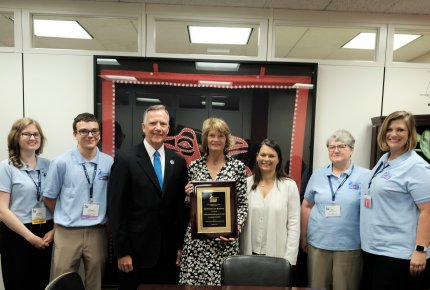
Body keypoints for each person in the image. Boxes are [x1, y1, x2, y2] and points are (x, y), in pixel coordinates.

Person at [107, 105, 188, 290]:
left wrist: (180, 247)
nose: (158, 127)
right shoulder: (125, 160)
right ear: (143, 127)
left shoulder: (178, 162)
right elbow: (116, 210)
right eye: (153, 123)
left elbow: (180, 211)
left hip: (168, 255)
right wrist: (122, 252)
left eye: (163, 123)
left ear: (168, 129)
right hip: (135, 255)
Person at [360, 111, 430, 290]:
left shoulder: (417, 167)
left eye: (400, 129)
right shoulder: (385, 159)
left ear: (410, 134)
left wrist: (421, 250)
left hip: (399, 254)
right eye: (389, 129)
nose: (393, 134)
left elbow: (427, 211)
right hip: (374, 249)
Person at [43, 112, 113, 290]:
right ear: (75, 134)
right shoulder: (60, 162)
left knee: (95, 282)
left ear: (99, 133)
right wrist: (64, 213)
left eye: (94, 131)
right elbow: (49, 197)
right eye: (84, 131)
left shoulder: (109, 162)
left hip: (97, 232)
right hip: (67, 232)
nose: (90, 135)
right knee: (63, 281)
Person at [179, 117, 248, 285]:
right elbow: (188, 204)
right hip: (198, 243)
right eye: (211, 135)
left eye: (220, 136)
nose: (216, 140)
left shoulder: (237, 167)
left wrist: (236, 227)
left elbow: (243, 204)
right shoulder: (195, 166)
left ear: (227, 140)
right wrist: (188, 194)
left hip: (224, 241)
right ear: (205, 139)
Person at [300, 129, 369, 290]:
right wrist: (304, 237)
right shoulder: (317, 175)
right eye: (331, 147)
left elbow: (371, 210)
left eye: (341, 146)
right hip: (318, 244)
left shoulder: (365, 176)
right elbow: (306, 205)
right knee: (317, 287)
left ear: (352, 149)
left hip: (349, 247)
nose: (336, 150)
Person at [0, 118, 53, 290]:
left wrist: (54, 230)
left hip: (46, 232)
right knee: (18, 283)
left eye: (36, 134)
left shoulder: (49, 165)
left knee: (41, 282)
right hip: (17, 234)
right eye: (27, 134)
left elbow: (56, 201)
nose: (32, 138)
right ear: (16, 137)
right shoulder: (6, 167)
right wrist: (30, 237)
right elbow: (2, 210)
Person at [240, 139, 300, 265]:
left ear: (278, 160)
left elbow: (294, 224)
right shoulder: (246, 184)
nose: (266, 159)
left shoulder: (289, 186)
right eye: (263, 155)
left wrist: (289, 260)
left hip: (278, 257)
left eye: (271, 156)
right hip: (248, 255)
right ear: (257, 157)